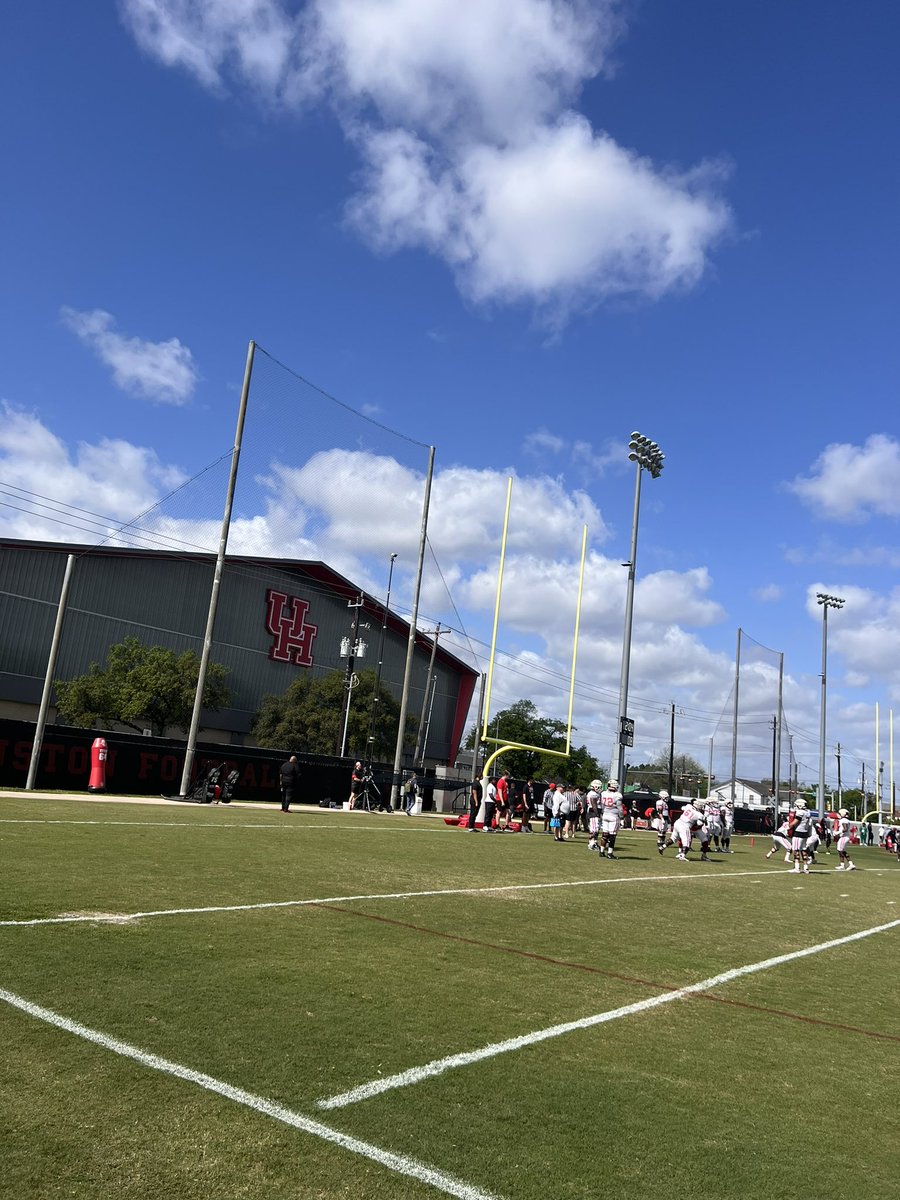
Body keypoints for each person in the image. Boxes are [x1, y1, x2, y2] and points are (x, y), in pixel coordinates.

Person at [599, 778, 624, 859]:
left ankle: (602, 851)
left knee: (605, 834)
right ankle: (610, 853)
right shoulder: (617, 795)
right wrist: (622, 817)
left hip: (605, 814)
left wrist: (602, 813)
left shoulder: (603, 793)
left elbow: (602, 805)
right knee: (612, 836)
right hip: (613, 816)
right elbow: (619, 807)